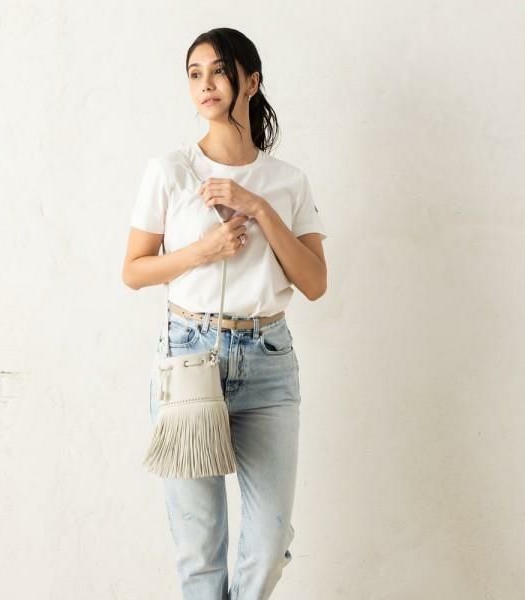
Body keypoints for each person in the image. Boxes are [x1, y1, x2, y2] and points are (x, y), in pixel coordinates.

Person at [122, 27, 328, 600]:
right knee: (199, 551)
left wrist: (257, 207)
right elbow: (134, 270)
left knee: (268, 545)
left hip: (267, 364)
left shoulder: (287, 182)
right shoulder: (171, 170)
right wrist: (203, 251)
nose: (205, 84)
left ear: (251, 81)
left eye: (219, 70)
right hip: (189, 356)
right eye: (195, 73)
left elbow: (314, 282)